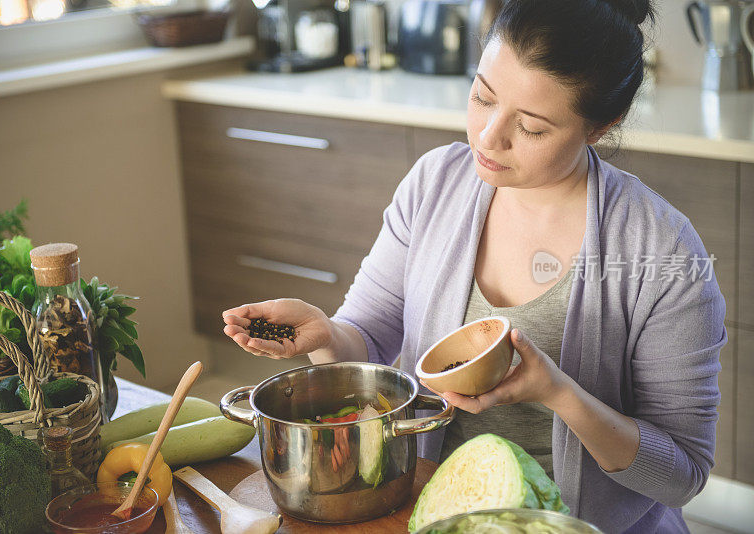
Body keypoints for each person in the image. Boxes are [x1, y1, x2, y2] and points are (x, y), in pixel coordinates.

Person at [222, 0, 728, 531]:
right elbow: (367, 340)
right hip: (434, 509)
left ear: (602, 125)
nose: (488, 138)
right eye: (482, 97)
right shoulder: (435, 183)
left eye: (530, 128)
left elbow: (682, 474)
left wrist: (559, 393)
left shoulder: (663, 250)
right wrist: (324, 333)